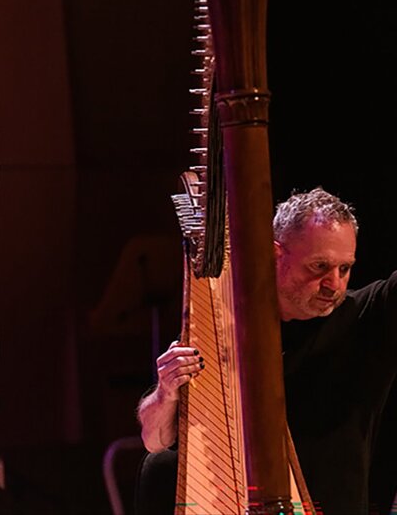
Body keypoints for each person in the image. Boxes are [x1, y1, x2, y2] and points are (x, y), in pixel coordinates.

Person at [136, 187, 397, 514]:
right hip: (234, 503)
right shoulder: (222, 326)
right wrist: (166, 391)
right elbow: (154, 441)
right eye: (319, 267)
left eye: (344, 268)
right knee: (158, 469)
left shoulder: (368, 316)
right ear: (274, 255)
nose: (334, 284)